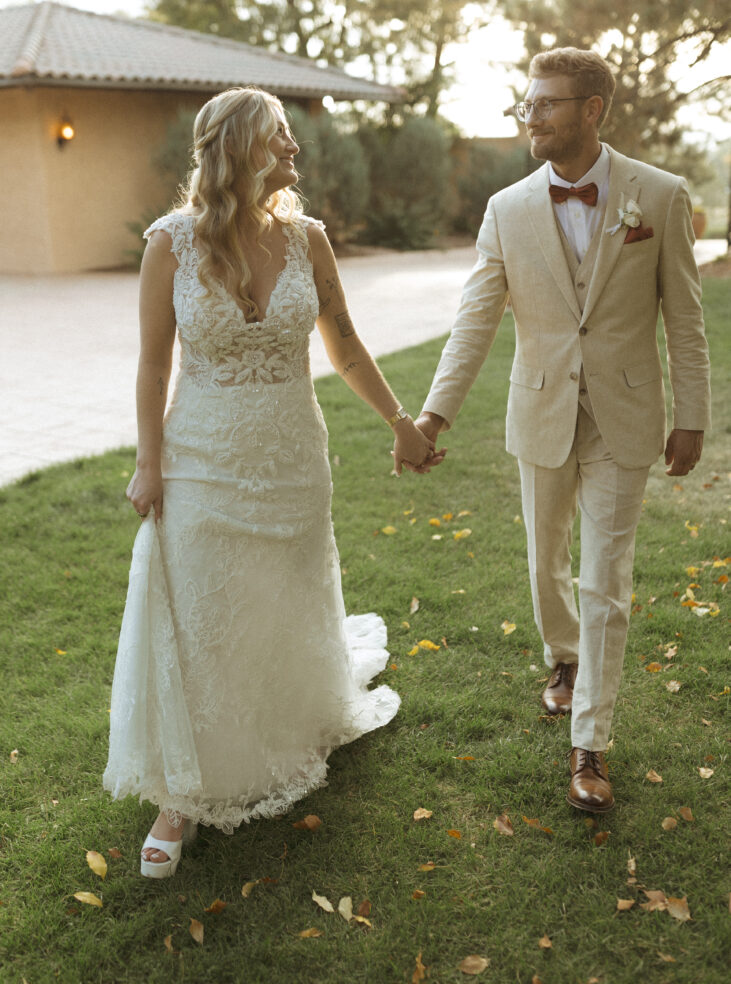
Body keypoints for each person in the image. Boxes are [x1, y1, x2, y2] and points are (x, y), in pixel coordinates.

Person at [103, 86, 443, 878]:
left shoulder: (308, 239)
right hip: (202, 455)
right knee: (202, 612)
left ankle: (288, 722)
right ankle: (179, 795)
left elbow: (347, 346)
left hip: (293, 454)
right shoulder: (171, 244)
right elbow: (154, 365)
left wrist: (400, 423)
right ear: (234, 147)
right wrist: (150, 463)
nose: (294, 150)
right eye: (279, 137)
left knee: (281, 599)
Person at [415, 48, 711, 812]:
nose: (531, 116)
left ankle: (590, 746)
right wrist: (433, 413)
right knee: (544, 557)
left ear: (592, 110)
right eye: (527, 103)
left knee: (604, 579)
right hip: (540, 407)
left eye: (546, 103)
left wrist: (692, 417)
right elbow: (474, 320)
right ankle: (563, 658)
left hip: (626, 414)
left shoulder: (659, 195)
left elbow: (684, 317)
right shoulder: (506, 209)